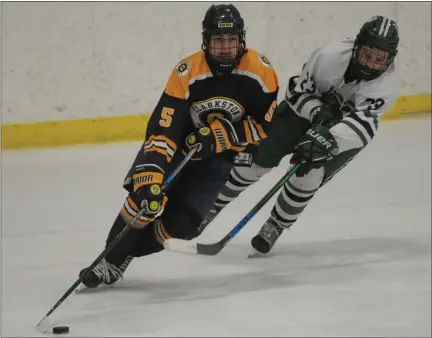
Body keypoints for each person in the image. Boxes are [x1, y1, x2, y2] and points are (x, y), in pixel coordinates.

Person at [79, 4, 279, 288]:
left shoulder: (261, 72)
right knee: (144, 199)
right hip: (180, 150)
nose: (224, 48)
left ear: (241, 39)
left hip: (218, 160)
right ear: (205, 40)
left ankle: (124, 254)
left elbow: (262, 127)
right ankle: (108, 263)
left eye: (231, 40)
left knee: (183, 227)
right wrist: (154, 170)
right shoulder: (187, 71)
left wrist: (219, 135)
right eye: (217, 40)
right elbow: (164, 129)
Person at [198, 15, 400, 254]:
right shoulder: (329, 56)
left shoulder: (386, 86)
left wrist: (326, 139)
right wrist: (317, 112)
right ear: (357, 46)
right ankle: (212, 206)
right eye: (367, 54)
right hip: (301, 113)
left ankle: (276, 224)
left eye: (380, 59)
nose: (371, 64)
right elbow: (296, 92)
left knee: (309, 173)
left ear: (390, 59)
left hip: (342, 129)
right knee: (257, 155)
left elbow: (364, 127)